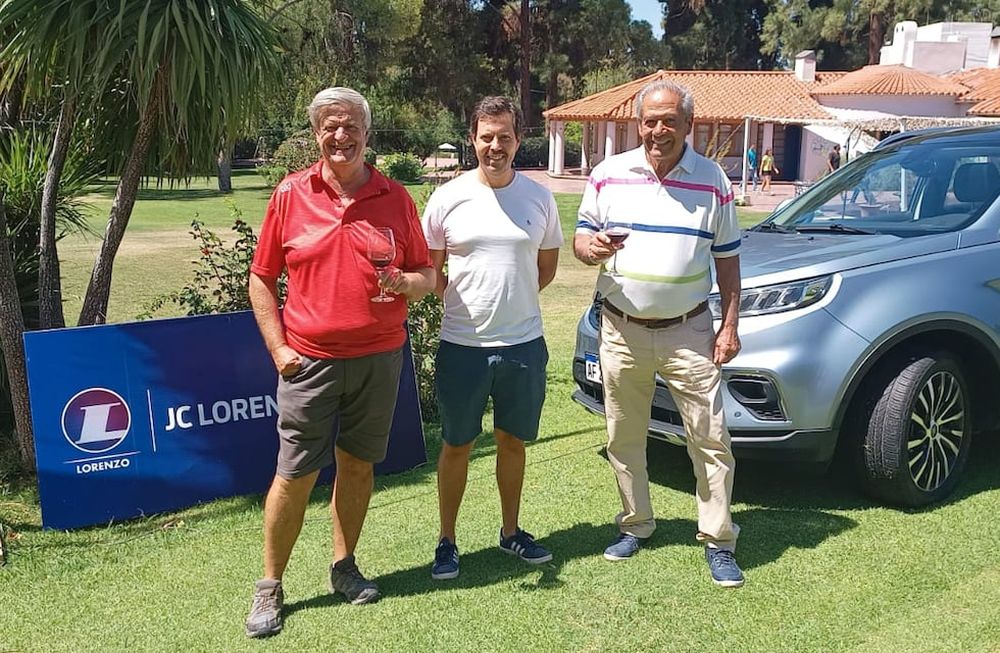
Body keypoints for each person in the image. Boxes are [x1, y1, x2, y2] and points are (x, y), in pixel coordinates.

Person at [244, 87, 435, 638]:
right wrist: (279, 349)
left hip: (379, 359)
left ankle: (344, 566)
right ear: (316, 134)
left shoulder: (395, 197)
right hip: (311, 363)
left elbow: (426, 276)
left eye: (350, 126)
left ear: (366, 133)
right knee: (295, 473)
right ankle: (270, 586)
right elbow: (261, 276)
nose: (341, 136)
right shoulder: (290, 194)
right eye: (330, 127)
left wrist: (405, 282)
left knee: (357, 465)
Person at [573, 79, 745, 588]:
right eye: (650, 120)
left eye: (669, 120)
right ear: (638, 124)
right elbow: (582, 241)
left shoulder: (713, 180)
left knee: (710, 438)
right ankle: (636, 524)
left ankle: (718, 539)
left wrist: (729, 325)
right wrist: (593, 248)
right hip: (621, 330)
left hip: (689, 331)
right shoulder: (608, 175)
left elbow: (729, 261)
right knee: (623, 436)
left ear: (688, 125)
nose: (658, 130)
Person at [422, 96, 563, 580]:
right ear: (473, 139)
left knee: (512, 442)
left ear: (518, 140)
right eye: (486, 136)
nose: (495, 146)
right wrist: (464, 304)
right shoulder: (447, 197)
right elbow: (430, 271)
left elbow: (544, 269)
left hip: (524, 345)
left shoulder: (539, 198)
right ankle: (447, 541)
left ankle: (510, 531)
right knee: (457, 444)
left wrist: (511, 301)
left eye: (504, 136)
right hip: (462, 346)